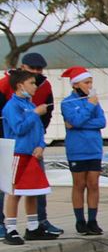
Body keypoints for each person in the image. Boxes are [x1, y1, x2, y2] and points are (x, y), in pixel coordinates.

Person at [1, 53, 62, 236]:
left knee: (35, 189)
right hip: (15, 148)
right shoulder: (7, 89)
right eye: (32, 70)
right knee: (12, 189)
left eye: (39, 70)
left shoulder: (36, 97)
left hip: (33, 150)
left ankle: (36, 224)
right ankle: (8, 226)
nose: (36, 75)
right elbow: (17, 125)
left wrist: (40, 145)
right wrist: (34, 114)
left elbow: (42, 121)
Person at [59, 67, 106, 234]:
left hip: (94, 148)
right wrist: (88, 108)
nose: (90, 85)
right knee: (79, 184)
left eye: (91, 82)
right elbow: (74, 120)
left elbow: (101, 122)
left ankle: (93, 220)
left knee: (93, 183)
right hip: (77, 149)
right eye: (87, 82)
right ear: (76, 84)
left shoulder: (94, 100)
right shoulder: (67, 102)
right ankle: (80, 220)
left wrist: (80, 122)